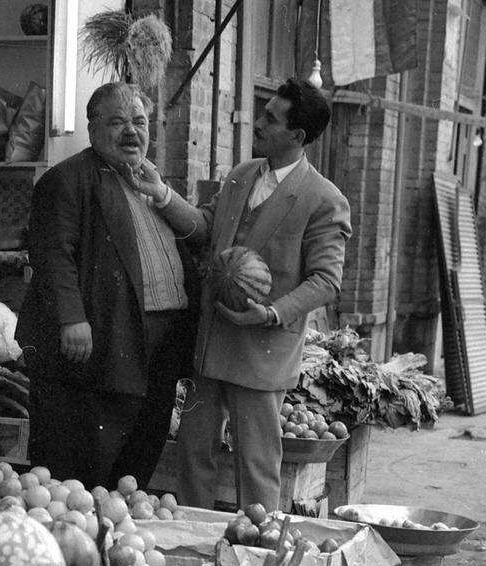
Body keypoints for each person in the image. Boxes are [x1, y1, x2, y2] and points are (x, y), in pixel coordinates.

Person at [132, 78, 351, 512]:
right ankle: (193, 545)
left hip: (262, 351)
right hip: (210, 346)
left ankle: (256, 554)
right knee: (193, 458)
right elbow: (205, 227)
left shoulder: (325, 199)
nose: (258, 123)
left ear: (297, 136)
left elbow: (326, 280)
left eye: (271, 118)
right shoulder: (241, 175)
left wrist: (270, 313)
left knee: (256, 466)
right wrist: (162, 195)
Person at [15, 82, 200, 489]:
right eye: (117, 122)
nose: (131, 132)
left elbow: (199, 233)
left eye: (139, 121)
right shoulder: (67, 179)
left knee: (138, 460)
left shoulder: (149, 181)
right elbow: (52, 254)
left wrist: (164, 195)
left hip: (156, 349)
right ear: (92, 128)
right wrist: (71, 318)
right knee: (83, 466)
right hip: (98, 346)